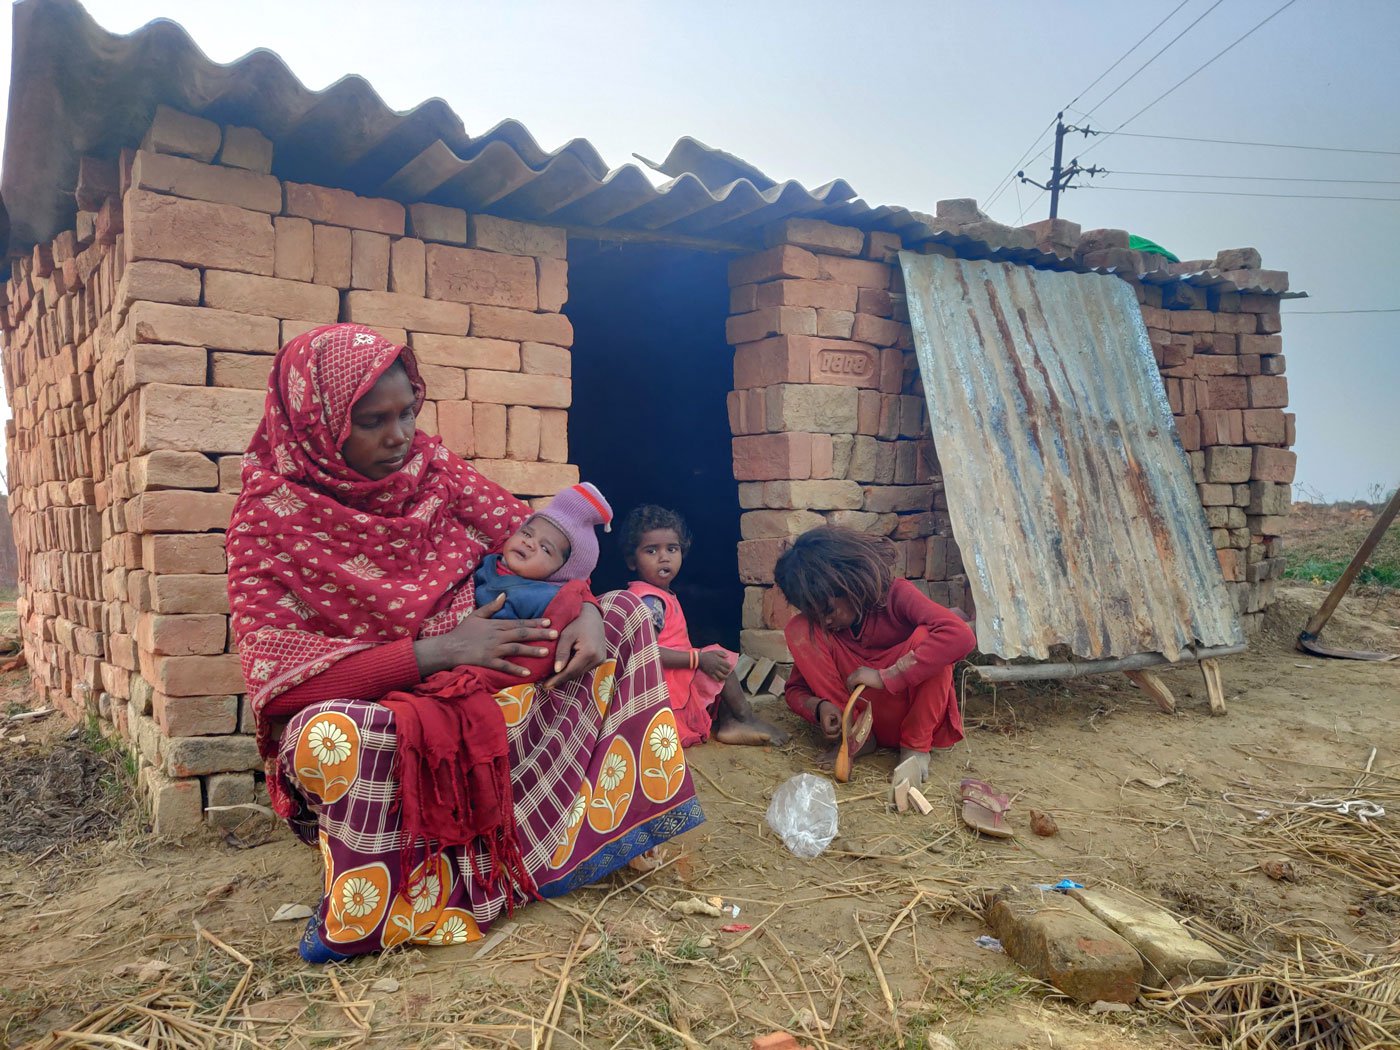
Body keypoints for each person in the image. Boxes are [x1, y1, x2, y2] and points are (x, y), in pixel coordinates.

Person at [227, 323, 703, 962]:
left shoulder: (433, 468)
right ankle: (401, 900)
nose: (400, 437)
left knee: (625, 617)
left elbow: (532, 536)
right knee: (327, 736)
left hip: (491, 677)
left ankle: (560, 846)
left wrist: (586, 606)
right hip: (391, 702)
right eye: (372, 421)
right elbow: (283, 688)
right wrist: (441, 651)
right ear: (317, 423)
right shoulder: (269, 518)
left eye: (407, 413)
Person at [773, 526, 976, 791]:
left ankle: (915, 749)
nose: (825, 621)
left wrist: (886, 676)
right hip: (862, 718)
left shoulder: (896, 595)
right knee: (800, 629)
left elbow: (960, 636)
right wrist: (820, 706)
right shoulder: (820, 629)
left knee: (931, 638)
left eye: (829, 610)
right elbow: (794, 691)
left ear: (850, 583)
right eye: (816, 614)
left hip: (910, 713)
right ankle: (857, 737)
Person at [622, 505, 787, 748]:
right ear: (631, 561)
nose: (664, 557)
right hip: (664, 683)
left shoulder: (659, 595)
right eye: (651, 550)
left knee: (714, 662)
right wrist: (697, 659)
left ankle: (731, 723)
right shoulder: (650, 601)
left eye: (672, 548)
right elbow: (646, 652)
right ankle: (744, 719)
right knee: (720, 659)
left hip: (673, 677)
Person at [473, 482, 614, 619]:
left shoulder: (543, 599)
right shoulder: (490, 559)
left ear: (559, 574)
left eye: (545, 548)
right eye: (527, 534)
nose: (529, 543)